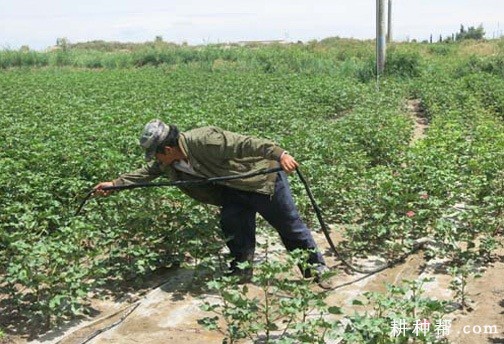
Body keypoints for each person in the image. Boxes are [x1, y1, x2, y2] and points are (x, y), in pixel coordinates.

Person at [94, 119, 332, 288]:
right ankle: (242, 269)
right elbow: (146, 173)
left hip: (261, 181)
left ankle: (315, 268)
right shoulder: (169, 162)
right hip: (233, 191)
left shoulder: (204, 140)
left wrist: (280, 154)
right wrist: (115, 184)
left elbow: (244, 143)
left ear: (167, 149)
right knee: (232, 224)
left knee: (289, 226)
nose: (155, 160)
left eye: (156, 154)